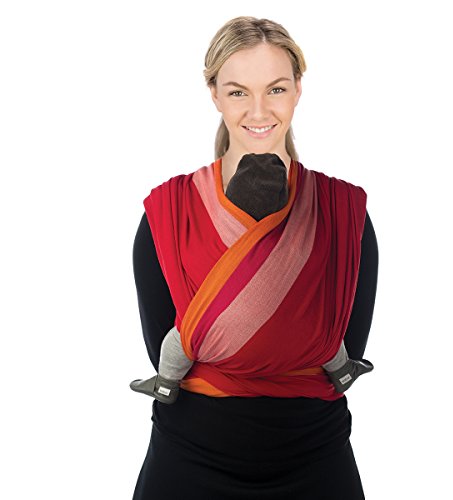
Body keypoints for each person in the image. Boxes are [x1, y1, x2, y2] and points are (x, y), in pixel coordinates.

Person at [131, 16, 378, 500]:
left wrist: (224, 347)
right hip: (188, 461)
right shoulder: (168, 213)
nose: (259, 110)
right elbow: (159, 350)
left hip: (317, 458)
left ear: (299, 89)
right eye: (238, 92)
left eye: (276, 89)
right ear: (214, 94)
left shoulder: (343, 212)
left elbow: (346, 348)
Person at [129, 152, 374, 404]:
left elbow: (155, 331)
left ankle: (166, 385)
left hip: (200, 396)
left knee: (181, 341)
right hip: (311, 359)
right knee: (326, 338)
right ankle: (343, 373)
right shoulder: (323, 224)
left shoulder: (175, 211)